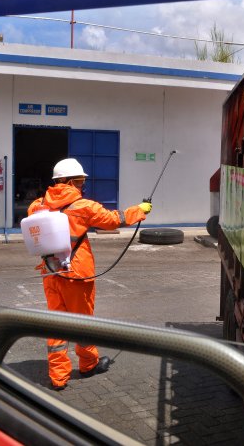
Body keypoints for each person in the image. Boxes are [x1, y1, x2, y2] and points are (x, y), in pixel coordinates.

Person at [27, 157, 152, 390]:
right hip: (76, 276)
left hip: (50, 273)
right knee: (83, 324)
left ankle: (58, 377)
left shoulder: (37, 205)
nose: (82, 186)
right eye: (80, 182)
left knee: (56, 324)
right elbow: (115, 220)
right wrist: (140, 210)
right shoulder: (83, 207)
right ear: (69, 181)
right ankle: (88, 365)